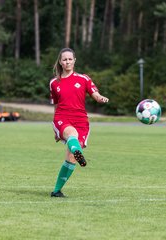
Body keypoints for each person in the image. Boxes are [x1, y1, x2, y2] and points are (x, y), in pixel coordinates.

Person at [49, 48, 109, 197]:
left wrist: (100, 98)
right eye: (64, 59)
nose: (67, 61)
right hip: (62, 118)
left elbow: (95, 94)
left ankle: (56, 191)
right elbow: (56, 106)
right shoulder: (54, 83)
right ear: (60, 62)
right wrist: (56, 130)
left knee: (70, 159)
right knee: (71, 134)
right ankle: (77, 150)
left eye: (70, 59)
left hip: (81, 120)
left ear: (74, 60)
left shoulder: (84, 79)